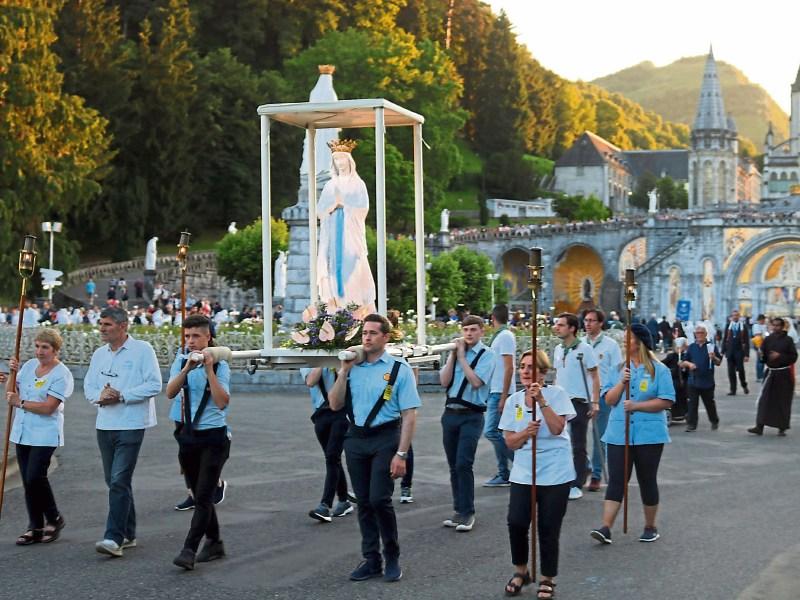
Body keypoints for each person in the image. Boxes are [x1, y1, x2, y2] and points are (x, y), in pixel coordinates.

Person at [327, 313, 420, 582]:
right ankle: (371, 559)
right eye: (364, 333)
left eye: (372, 333)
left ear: (385, 337)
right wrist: (343, 371)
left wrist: (402, 454)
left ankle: (392, 556)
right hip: (355, 439)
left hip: (385, 438)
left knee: (380, 499)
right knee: (365, 502)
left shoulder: (399, 369)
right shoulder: (352, 368)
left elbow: (410, 416)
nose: (366, 337)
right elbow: (334, 404)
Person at [84, 306, 162, 558]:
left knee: (118, 480)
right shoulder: (99, 354)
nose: (102, 329)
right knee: (115, 481)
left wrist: (123, 396)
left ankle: (113, 538)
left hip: (131, 424)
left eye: (107, 324)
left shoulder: (142, 351)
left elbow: (154, 384)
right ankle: (129, 533)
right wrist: (100, 397)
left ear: (123, 325)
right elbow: (88, 385)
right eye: (101, 324)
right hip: (105, 424)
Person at [499, 350, 575, 599]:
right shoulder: (514, 401)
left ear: (543, 372)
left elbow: (557, 428)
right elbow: (509, 441)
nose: (525, 371)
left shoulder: (558, 394)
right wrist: (524, 434)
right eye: (522, 366)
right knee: (517, 522)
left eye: (531, 367)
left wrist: (542, 400)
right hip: (524, 471)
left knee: (548, 526)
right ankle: (521, 571)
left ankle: (547, 577)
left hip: (555, 470)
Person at [590, 323, 675, 545]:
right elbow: (609, 400)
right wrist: (621, 382)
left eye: (628, 338)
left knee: (647, 480)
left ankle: (650, 526)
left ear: (639, 342)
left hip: (650, 434)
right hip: (619, 433)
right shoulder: (618, 369)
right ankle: (606, 527)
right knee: (617, 480)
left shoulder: (660, 370)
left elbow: (666, 400)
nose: (624, 342)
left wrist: (637, 406)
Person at [166, 315, 232, 570]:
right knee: (198, 493)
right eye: (188, 336)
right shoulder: (181, 360)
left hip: (214, 437)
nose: (191, 341)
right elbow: (170, 392)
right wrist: (186, 369)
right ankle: (214, 541)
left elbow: (221, 401)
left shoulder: (220, 365)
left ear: (208, 338)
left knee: (203, 496)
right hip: (187, 436)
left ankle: (189, 549)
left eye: (196, 336)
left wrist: (207, 369)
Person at [6, 329, 74, 545]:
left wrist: (22, 403)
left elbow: (49, 407)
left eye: (45, 347)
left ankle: (54, 518)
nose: (39, 351)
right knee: (28, 481)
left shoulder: (61, 374)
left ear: (55, 350)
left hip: (45, 433)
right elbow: (11, 394)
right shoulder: (28, 367)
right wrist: (12, 374)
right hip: (23, 430)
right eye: (37, 346)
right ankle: (34, 526)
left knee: (35, 477)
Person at [439, 315, 495, 531]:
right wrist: (453, 357)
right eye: (465, 330)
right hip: (450, 413)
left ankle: (468, 512)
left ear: (482, 331)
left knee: (464, 463)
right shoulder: (456, 353)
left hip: (471, 415)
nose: (469, 334)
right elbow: (444, 381)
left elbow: (476, 382)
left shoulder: (487, 355)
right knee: (453, 465)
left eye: (473, 330)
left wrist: (462, 357)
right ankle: (458, 510)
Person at [316, 139, 376, 313]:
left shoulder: (358, 184)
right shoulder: (330, 185)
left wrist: (344, 205)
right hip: (333, 234)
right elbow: (320, 211)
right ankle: (337, 307)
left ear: (349, 161)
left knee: (353, 266)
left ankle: (354, 306)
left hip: (350, 234)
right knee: (332, 270)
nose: (340, 163)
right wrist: (333, 207)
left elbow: (363, 207)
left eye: (342, 159)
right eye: (336, 160)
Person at [552, 313, 600, 500]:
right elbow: (557, 374)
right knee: (561, 441)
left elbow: (595, 376)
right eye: (557, 324)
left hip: (579, 400)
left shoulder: (584, 349)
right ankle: (571, 473)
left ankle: (577, 482)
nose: (557, 327)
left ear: (572, 328)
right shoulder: (557, 349)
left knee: (578, 443)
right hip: (561, 401)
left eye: (561, 325)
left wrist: (595, 401)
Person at [301, 366, 354, 522]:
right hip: (321, 413)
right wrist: (322, 361)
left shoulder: (343, 356)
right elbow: (310, 381)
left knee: (332, 456)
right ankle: (344, 501)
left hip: (341, 412)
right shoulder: (308, 359)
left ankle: (325, 505)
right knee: (333, 459)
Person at [582, 309, 622, 493]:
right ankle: (585, 465)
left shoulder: (610, 345)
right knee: (576, 436)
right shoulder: (580, 344)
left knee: (599, 436)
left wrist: (614, 393)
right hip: (582, 395)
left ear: (600, 323)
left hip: (603, 395)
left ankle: (596, 475)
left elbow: (617, 371)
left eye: (591, 320)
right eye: (585, 320)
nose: (587, 323)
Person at [483, 304, 516, 488]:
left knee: (492, 431)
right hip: (495, 390)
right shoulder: (501, 336)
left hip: (500, 391)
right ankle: (504, 472)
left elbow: (509, 366)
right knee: (497, 432)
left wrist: (504, 395)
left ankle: (518, 463)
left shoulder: (504, 337)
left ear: (492, 318)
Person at [749, 317, 798, 436]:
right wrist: (761, 355)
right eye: (773, 325)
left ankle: (782, 427)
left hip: (783, 374)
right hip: (770, 373)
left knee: (782, 400)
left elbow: (793, 357)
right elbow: (764, 357)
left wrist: (780, 356)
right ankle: (759, 426)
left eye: (778, 325)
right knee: (764, 400)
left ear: (782, 327)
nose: (775, 327)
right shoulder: (768, 339)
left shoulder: (788, 340)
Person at [681, 326, 722, 432]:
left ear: (705, 334)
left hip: (707, 381)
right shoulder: (692, 347)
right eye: (697, 333)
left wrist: (714, 358)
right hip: (693, 380)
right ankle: (691, 424)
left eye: (701, 333)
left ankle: (714, 421)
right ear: (695, 334)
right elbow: (683, 362)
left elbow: (718, 362)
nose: (699, 335)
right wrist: (689, 364)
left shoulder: (711, 346)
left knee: (709, 404)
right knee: (692, 404)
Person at [722, 309, 750, 395]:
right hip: (730, 352)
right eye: (733, 315)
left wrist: (746, 355)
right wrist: (722, 351)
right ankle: (733, 390)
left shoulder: (743, 326)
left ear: (739, 316)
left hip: (739, 352)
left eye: (736, 315)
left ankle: (744, 385)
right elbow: (725, 339)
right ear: (731, 317)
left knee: (741, 370)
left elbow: (746, 341)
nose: (735, 317)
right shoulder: (728, 326)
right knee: (731, 372)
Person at [661, 337, 689, 424]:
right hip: (672, 380)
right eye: (677, 347)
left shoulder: (686, 356)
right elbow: (662, 364)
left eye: (681, 347)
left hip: (683, 381)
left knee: (683, 397)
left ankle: (684, 413)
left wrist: (684, 366)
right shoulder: (671, 356)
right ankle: (673, 414)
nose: (679, 349)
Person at [751, 314, 767, 382]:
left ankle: (761, 375)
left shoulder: (763, 325)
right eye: (763, 320)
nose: (764, 321)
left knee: (762, 360)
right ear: (760, 320)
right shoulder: (756, 326)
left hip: (764, 345)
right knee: (759, 361)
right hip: (759, 345)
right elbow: (757, 335)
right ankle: (759, 376)